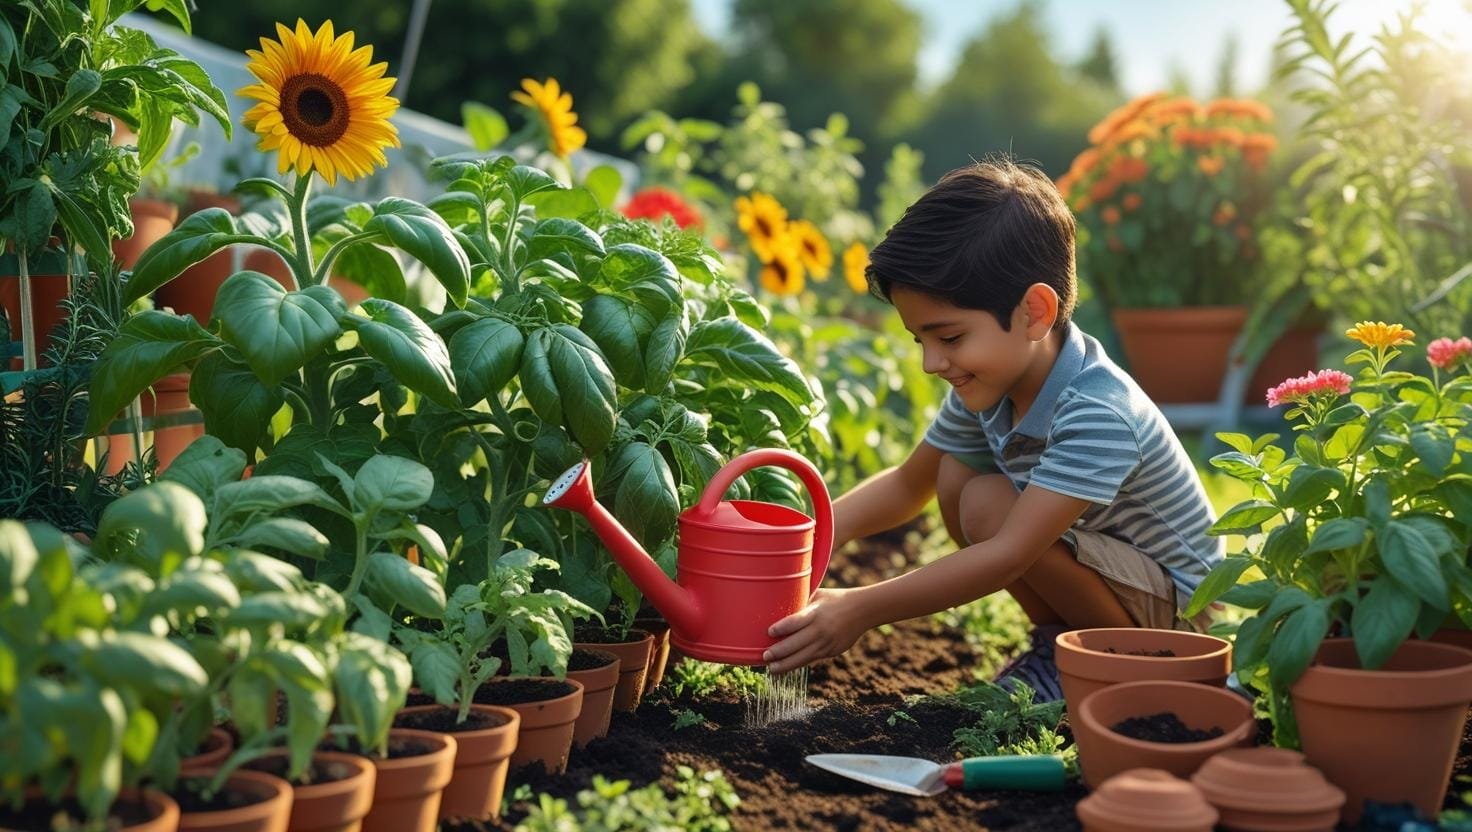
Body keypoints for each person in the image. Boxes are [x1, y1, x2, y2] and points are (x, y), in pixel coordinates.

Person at [762, 157, 1224, 700]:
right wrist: (799, 546)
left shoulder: (1099, 409)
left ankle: (1115, 665)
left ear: (1034, 312)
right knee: (956, 477)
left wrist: (861, 607)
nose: (933, 362)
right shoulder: (993, 385)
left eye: (950, 338)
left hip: (1183, 626)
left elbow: (1008, 553)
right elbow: (909, 485)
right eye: (920, 341)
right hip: (1122, 585)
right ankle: (1064, 644)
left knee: (986, 504)